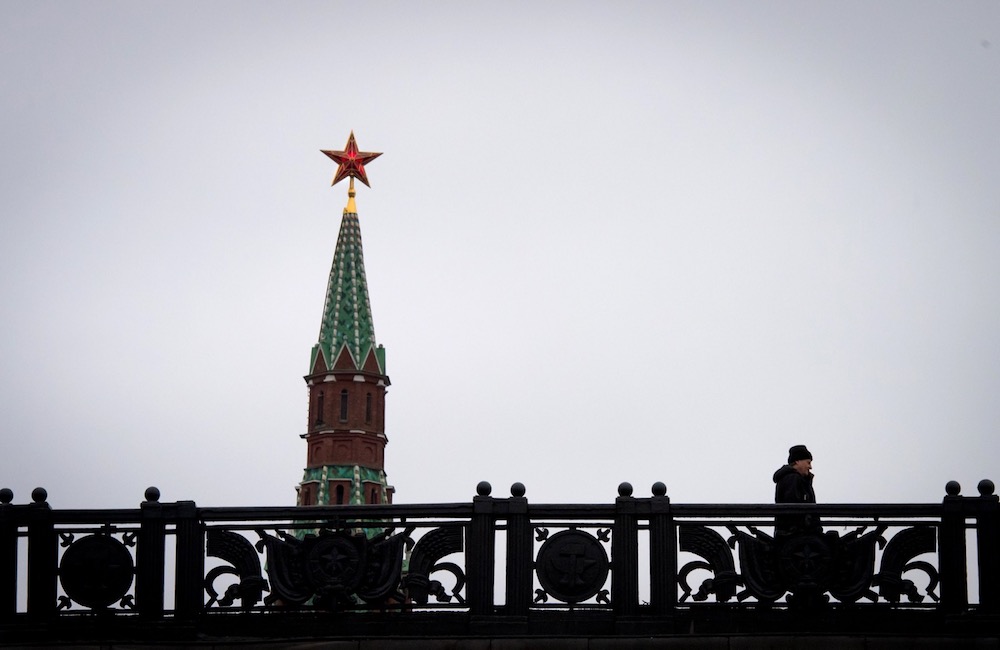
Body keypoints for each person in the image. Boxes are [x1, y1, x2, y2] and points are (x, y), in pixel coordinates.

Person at [772, 444, 821, 539]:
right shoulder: (792, 478)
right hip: (797, 537)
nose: (810, 467)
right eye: (808, 462)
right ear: (797, 461)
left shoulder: (797, 479)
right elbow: (793, 508)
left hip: (796, 537)